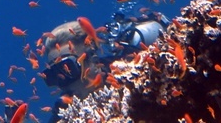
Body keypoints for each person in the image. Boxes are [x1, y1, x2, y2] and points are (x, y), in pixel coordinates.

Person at [35, 11, 167, 122]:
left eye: (68, 68)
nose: (64, 84)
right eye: (54, 75)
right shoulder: (64, 110)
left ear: (92, 59)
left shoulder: (128, 78)